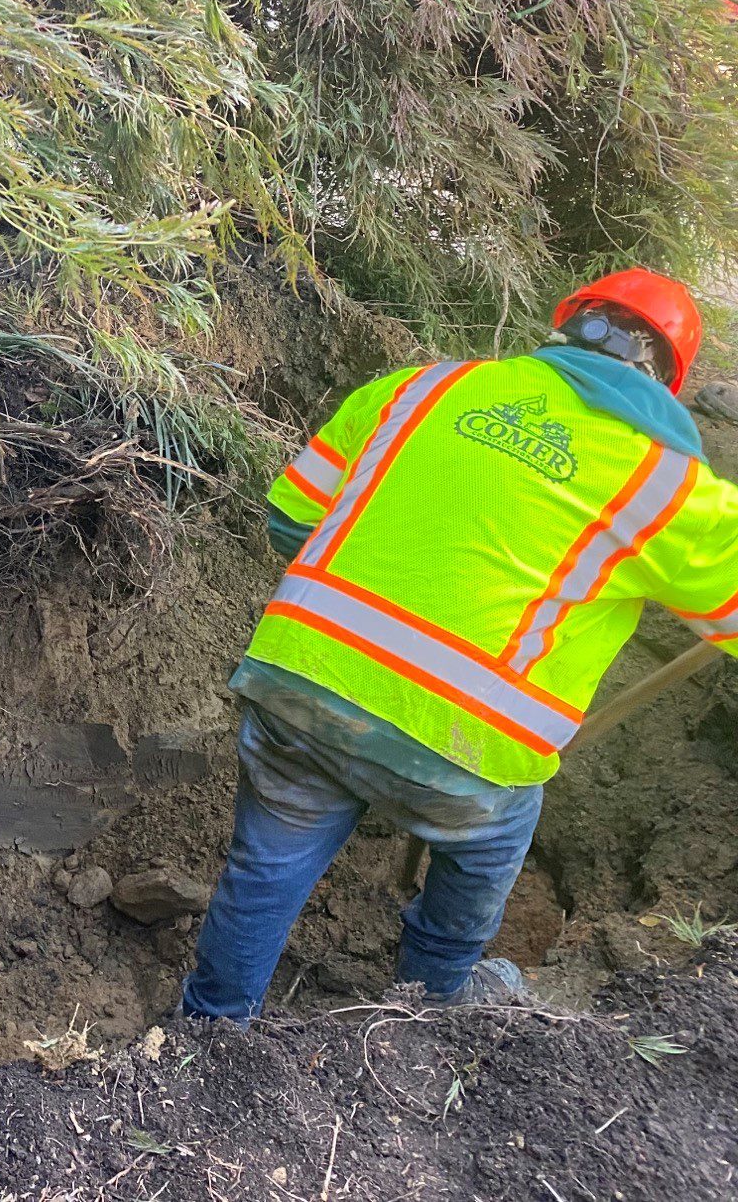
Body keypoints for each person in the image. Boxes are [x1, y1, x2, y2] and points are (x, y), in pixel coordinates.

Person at [183, 268, 738, 1020]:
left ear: (564, 327)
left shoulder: (422, 388)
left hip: (301, 682)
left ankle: (212, 1025)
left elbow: (290, 519)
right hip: (465, 746)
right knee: (492, 836)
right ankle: (431, 1005)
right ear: (666, 380)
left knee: (265, 869)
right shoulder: (669, 485)